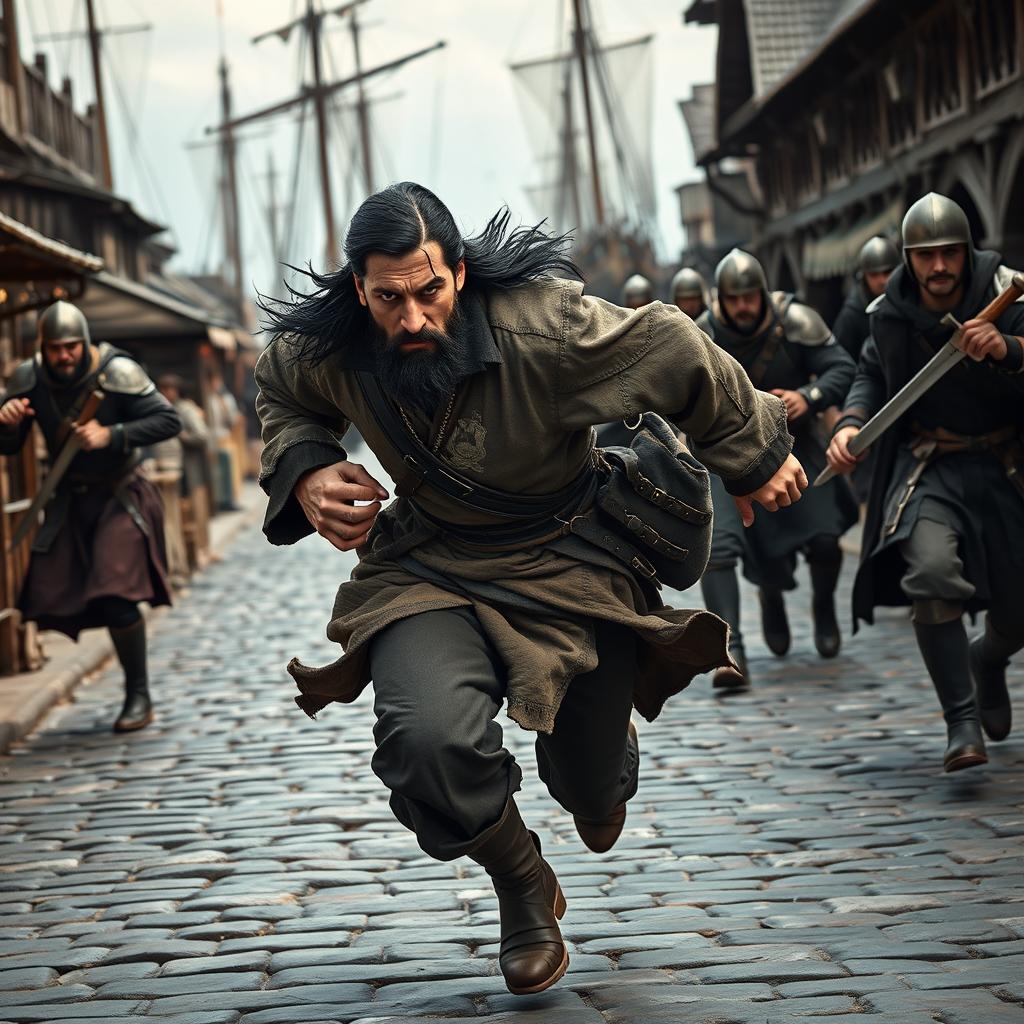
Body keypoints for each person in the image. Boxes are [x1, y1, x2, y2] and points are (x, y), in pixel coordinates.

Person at [255, 182, 806, 995]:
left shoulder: (544, 328)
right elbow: (279, 387)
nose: (411, 319)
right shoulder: (335, 346)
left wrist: (756, 457)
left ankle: (602, 757)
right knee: (426, 741)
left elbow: (675, 347)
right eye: (387, 299)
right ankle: (521, 885)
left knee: (593, 795)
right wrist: (304, 467)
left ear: (461, 274)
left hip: (570, 555)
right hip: (429, 566)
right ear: (358, 288)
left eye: (428, 292)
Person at [826, 192, 1024, 773]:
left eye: (949, 254)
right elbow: (868, 374)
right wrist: (850, 424)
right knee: (931, 574)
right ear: (909, 259)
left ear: (966, 252)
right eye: (926, 255)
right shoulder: (889, 314)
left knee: (1018, 616)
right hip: (931, 466)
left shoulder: (1006, 294)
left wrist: (1009, 347)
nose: (939, 267)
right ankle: (960, 720)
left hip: (1007, 466)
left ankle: (986, 659)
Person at [0, 301, 181, 731]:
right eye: (54, 348)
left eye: (70, 347)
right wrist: (6, 423)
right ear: (42, 347)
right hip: (69, 502)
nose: (63, 356)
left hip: (120, 496)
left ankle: (139, 694)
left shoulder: (116, 371)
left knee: (118, 595)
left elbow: (166, 420)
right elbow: (8, 447)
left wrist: (112, 434)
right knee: (51, 595)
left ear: (83, 344)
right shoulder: (29, 378)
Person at [696, 249, 858, 689]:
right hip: (722, 454)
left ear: (763, 293)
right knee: (720, 549)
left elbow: (842, 368)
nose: (745, 306)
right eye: (736, 299)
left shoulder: (796, 321)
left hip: (795, 444)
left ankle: (822, 605)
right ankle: (729, 654)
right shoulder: (700, 335)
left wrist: (812, 395)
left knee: (825, 541)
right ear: (721, 301)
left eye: (751, 296)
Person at [833, 236, 900, 361]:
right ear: (864, 276)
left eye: (887, 272)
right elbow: (843, 363)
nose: (882, 280)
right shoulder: (851, 316)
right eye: (874, 274)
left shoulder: (910, 299)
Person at [155, 374, 211, 497]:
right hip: (165, 464)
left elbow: (201, 435)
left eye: (168, 389)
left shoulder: (185, 409)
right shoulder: (161, 409)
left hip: (187, 463)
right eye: (163, 389)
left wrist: (182, 435)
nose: (165, 393)